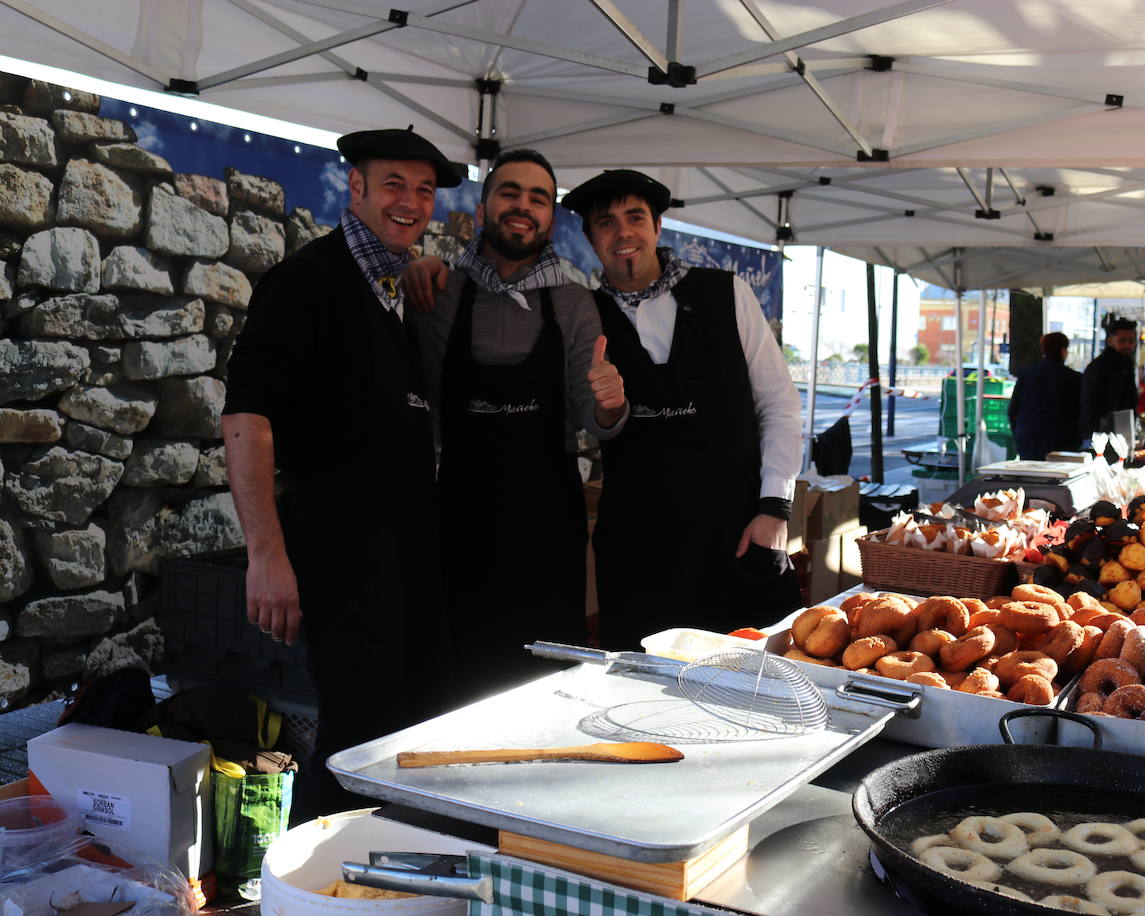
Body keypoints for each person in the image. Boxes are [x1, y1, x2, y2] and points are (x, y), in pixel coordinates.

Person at [222, 127, 463, 820]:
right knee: (355, 744)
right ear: (354, 187)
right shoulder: (306, 282)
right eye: (394, 184)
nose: (411, 202)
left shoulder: (392, 289)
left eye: (424, 191)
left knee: (404, 733)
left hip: (405, 561)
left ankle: (380, 884)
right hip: (341, 562)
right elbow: (247, 419)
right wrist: (266, 556)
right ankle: (313, 885)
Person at [402, 149, 627, 700]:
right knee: (456, 686)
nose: (523, 206)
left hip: (545, 533)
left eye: (538, 198)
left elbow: (594, 418)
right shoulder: (435, 293)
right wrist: (414, 265)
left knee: (542, 688)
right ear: (482, 208)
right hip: (459, 525)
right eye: (509, 193)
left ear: (550, 217)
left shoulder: (573, 302)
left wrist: (610, 402)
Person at [560, 170, 803, 649]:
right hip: (638, 550)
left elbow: (779, 403)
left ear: (657, 228)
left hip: (737, 536)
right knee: (641, 695)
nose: (623, 232)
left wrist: (774, 507)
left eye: (635, 217)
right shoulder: (585, 314)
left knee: (755, 686)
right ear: (589, 238)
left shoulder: (727, 293)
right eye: (606, 223)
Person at [1008, 332, 1081, 460]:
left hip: (1029, 437)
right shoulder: (1073, 378)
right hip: (1062, 439)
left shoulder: (1026, 374)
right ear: (1063, 351)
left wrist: (1019, 432)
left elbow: (1013, 410)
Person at [1080, 317, 1140, 440]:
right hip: (1102, 436)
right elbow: (1090, 406)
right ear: (1109, 341)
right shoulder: (1098, 367)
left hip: (1122, 432)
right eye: (1122, 340)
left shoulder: (1127, 365)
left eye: (1131, 341)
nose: (1127, 345)